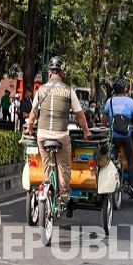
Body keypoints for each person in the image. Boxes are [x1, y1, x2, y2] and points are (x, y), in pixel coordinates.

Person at [25, 56, 91, 207]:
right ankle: (64, 194)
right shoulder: (69, 91)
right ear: (63, 73)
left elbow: (33, 114)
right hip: (61, 136)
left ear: (49, 72)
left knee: (47, 163)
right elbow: (80, 115)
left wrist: (29, 130)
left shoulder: (40, 90)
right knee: (64, 165)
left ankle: (47, 185)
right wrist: (86, 132)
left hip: (42, 135)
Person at [102, 77, 133, 198]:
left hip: (113, 136)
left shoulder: (110, 101)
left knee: (111, 159)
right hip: (126, 136)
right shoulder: (130, 102)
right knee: (131, 159)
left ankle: (111, 178)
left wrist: (104, 129)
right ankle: (132, 186)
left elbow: (104, 119)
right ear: (125, 89)